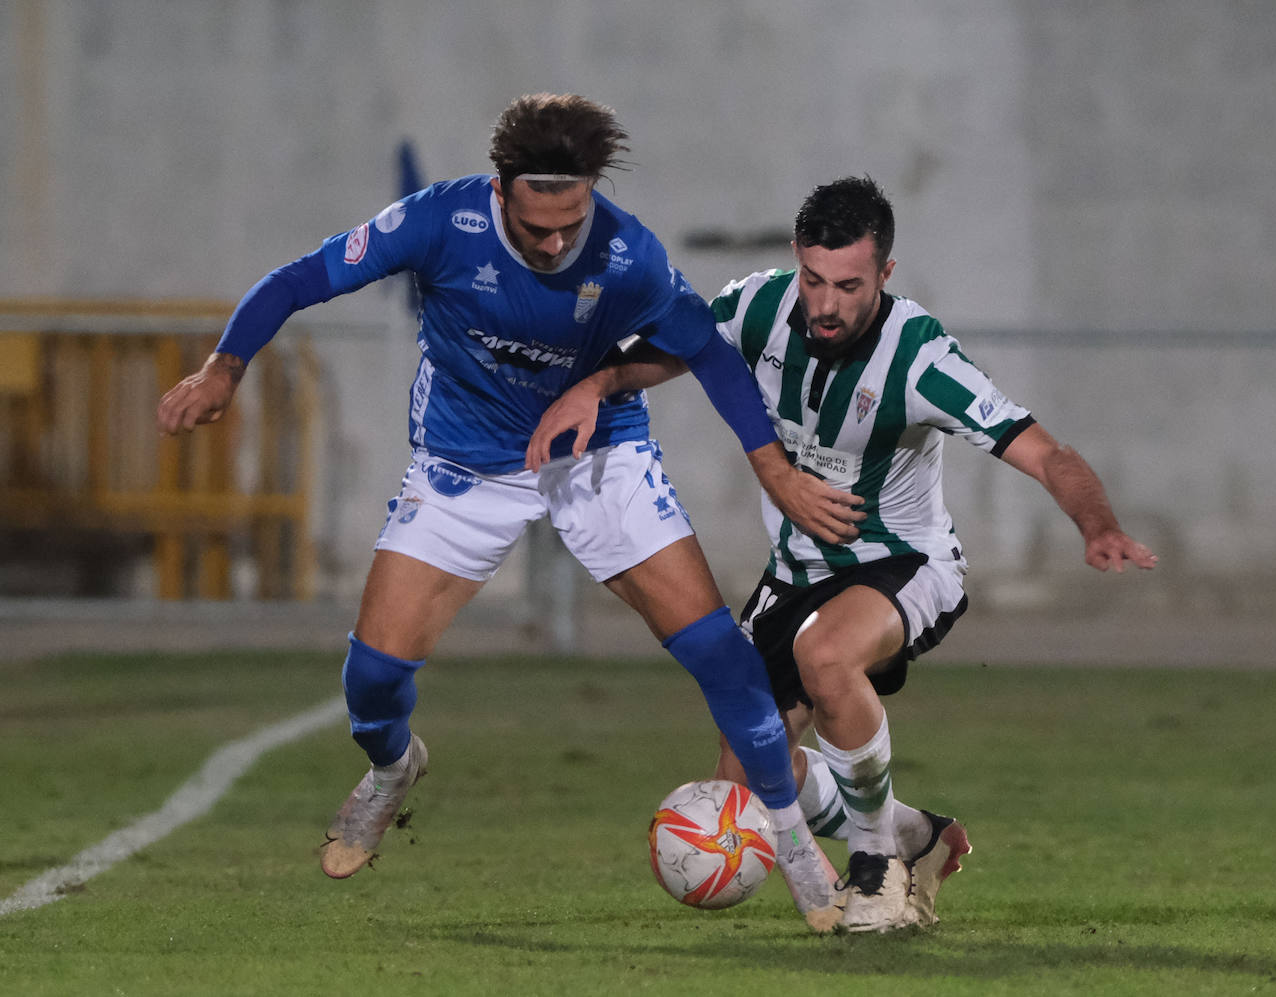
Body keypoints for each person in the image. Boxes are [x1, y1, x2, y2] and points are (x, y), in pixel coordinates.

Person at [155, 94, 866, 933]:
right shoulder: (436, 221)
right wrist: (223, 368)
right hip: (465, 461)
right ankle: (392, 770)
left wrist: (772, 471)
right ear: (500, 193)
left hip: (597, 454)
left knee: (719, 650)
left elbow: (704, 348)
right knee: (373, 680)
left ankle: (792, 844)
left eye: (573, 222)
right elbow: (301, 278)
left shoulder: (628, 253)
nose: (559, 242)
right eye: (538, 229)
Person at [527, 175, 1158, 933]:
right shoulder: (762, 305)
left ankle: (875, 866)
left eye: (849, 285)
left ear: (885, 275)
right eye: (815, 279)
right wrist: (594, 384)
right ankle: (917, 834)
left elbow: (1049, 453)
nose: (825, 304)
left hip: (904, 565)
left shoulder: (920, 358)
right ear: (797, 258)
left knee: (827, 656)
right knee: (753, 786)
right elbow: (668, 349)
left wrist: (1099, 523)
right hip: (793, 574)